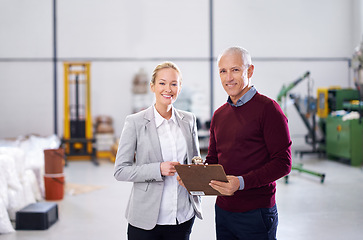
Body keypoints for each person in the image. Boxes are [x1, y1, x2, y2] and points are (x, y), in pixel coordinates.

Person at [206, 46, 292, 240]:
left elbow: (283, 163)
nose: (228, 78)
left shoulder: (269, 109)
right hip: (223, 211)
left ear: (250, 70)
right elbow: (213, 160)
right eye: (223, 71)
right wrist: (193, 175)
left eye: (235, 70)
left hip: (256, 213)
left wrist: (241, 183)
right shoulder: (219, 115)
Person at [113, 61, 202, 240]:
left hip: (182, 216)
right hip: (146, 220)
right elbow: (120, 171)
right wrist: (158, 169)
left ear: (179, 87)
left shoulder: (189, 120)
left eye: (174, 83)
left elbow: (195, 162)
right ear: (152, 86)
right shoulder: (135, 122)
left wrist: (197, 177)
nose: (168, 89)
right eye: (162, 83)